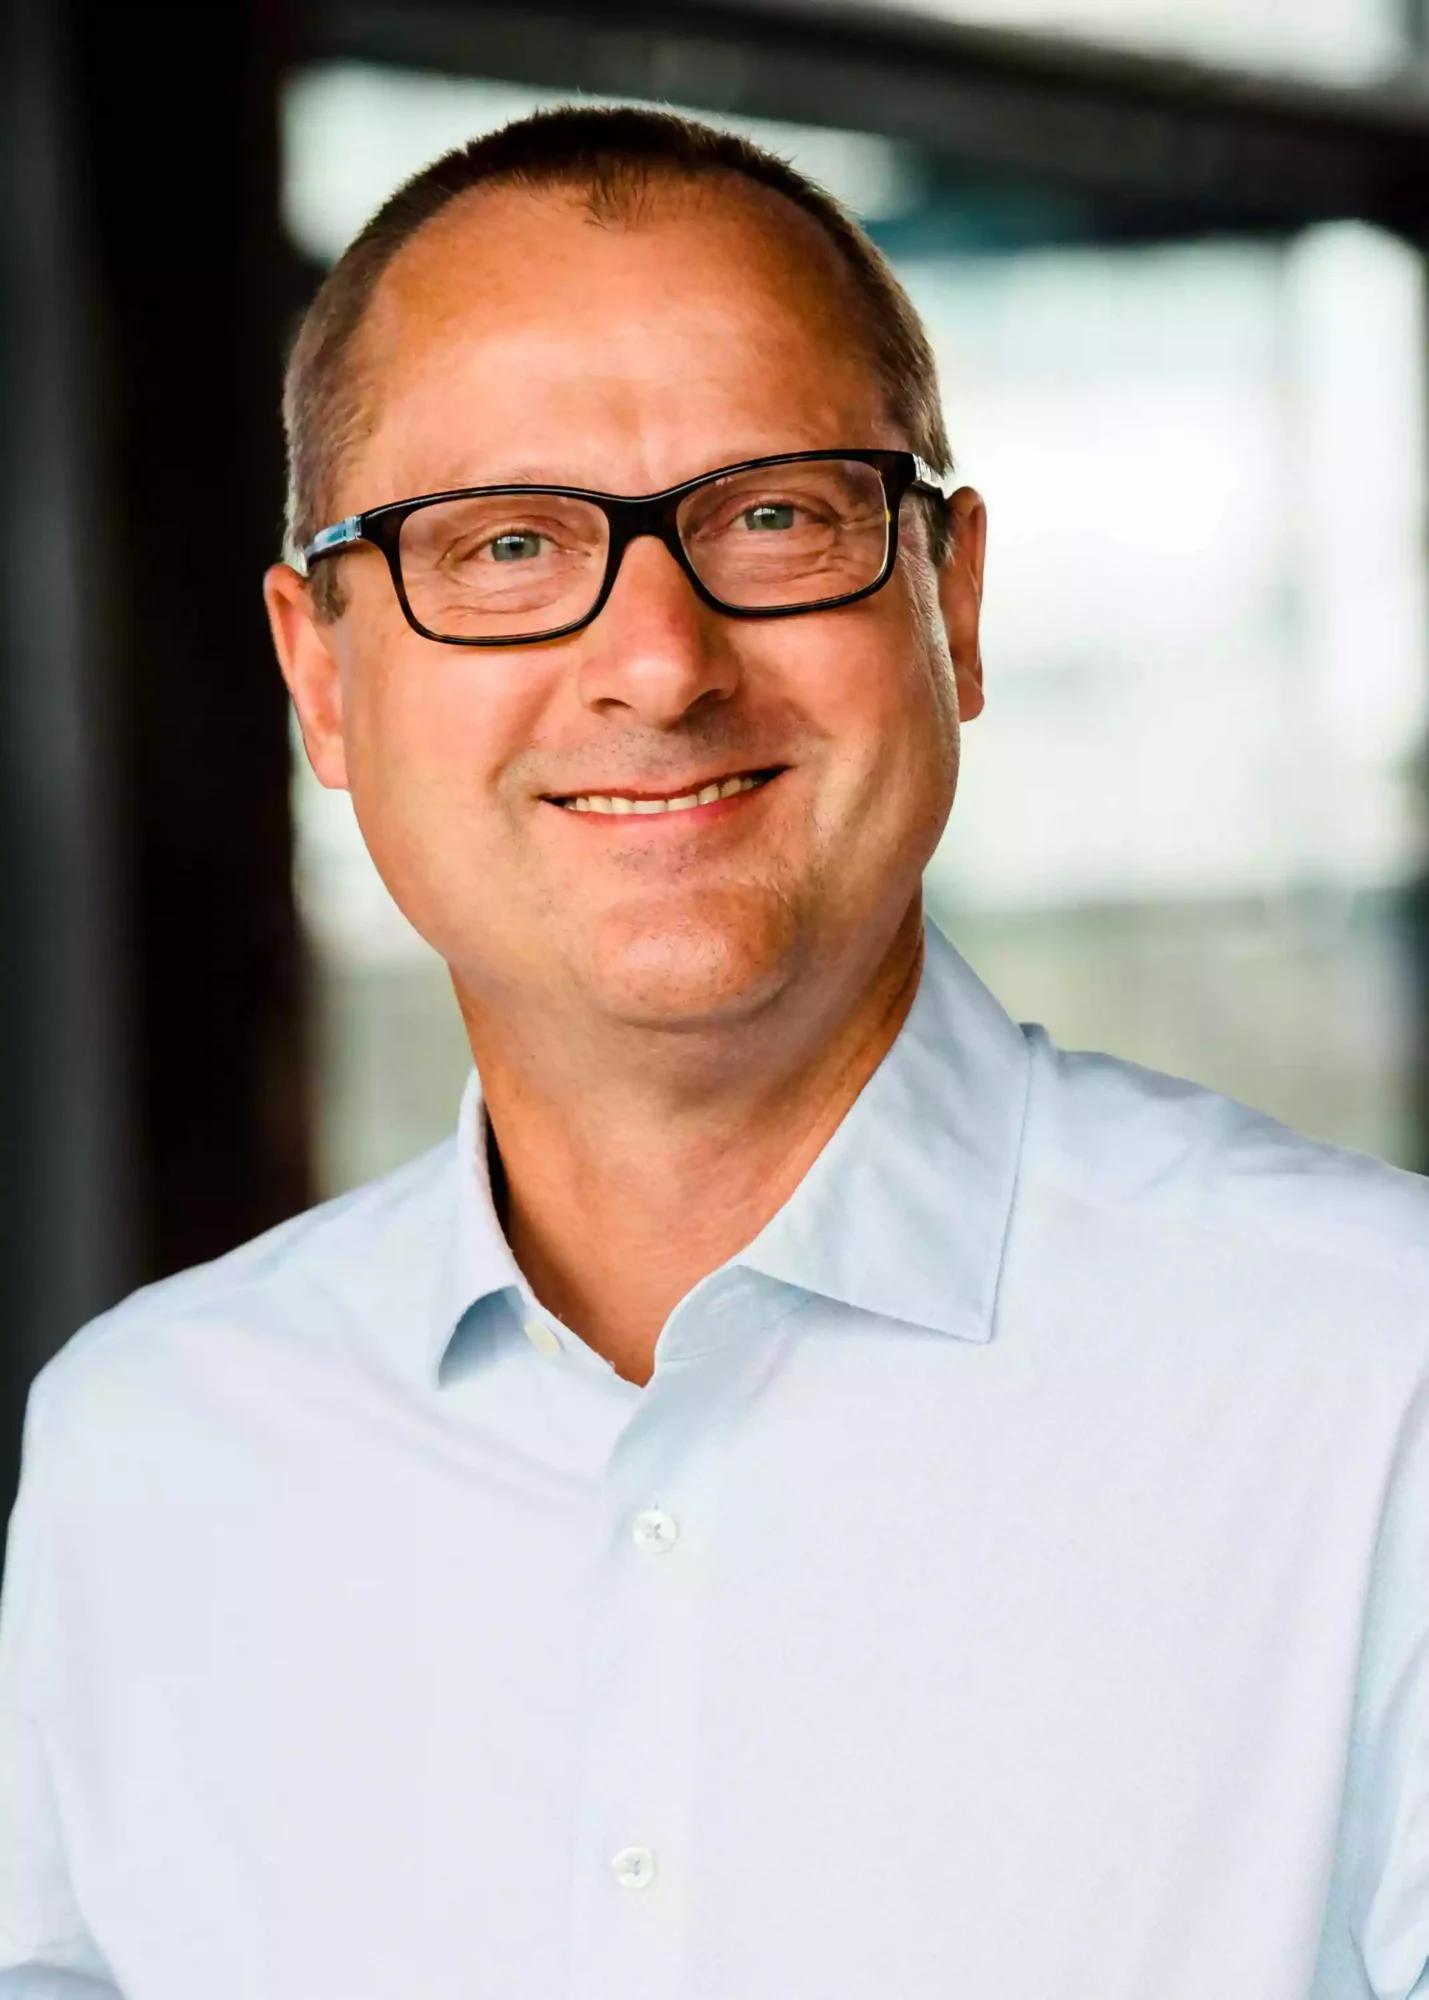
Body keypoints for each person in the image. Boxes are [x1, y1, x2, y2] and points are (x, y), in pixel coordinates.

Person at [1, 104, 1426, 2000]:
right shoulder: (145, 1451)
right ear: (323, 678)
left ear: (955, 602)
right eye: (502, 544)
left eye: (774, 515)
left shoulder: (1378, 1376)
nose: (660, 662)